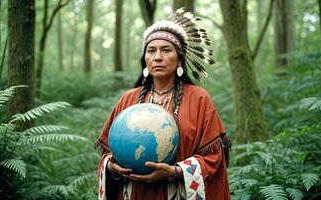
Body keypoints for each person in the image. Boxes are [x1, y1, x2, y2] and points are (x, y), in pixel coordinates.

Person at [96, 8, 231, 200]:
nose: (157, 57)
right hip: (134, 193)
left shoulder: (199, 99)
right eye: (151, 51)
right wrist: (111, 165)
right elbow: (107, 154)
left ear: (179, 61)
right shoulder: (128, 99)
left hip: (175, 193)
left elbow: (214, 158)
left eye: (166, 50)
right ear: (145, 60)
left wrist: (174, 171)